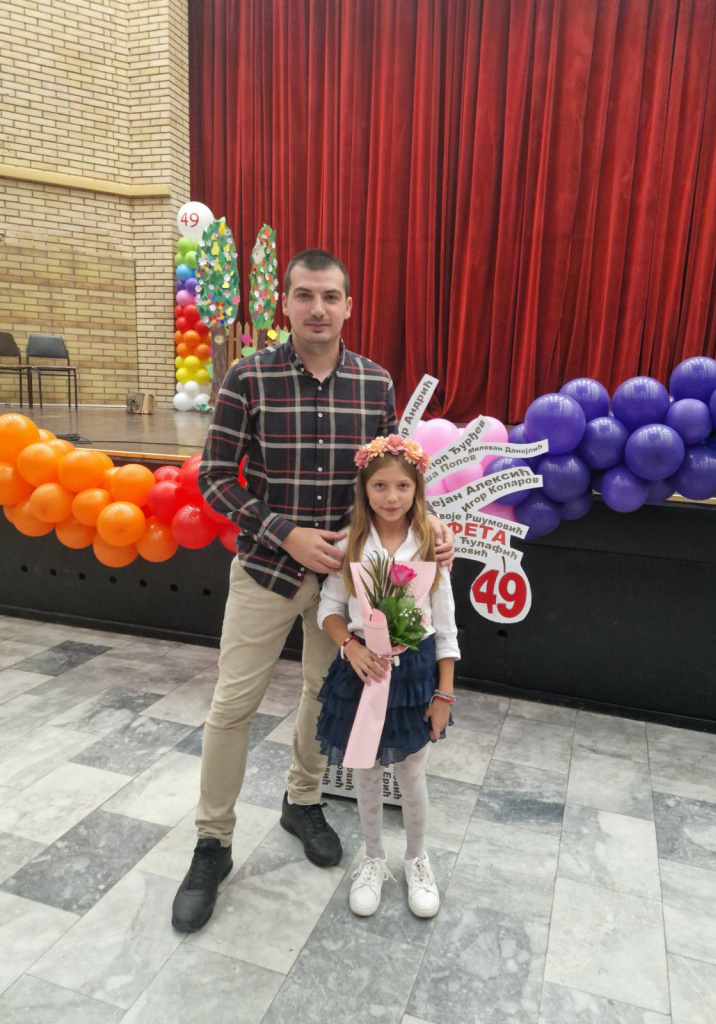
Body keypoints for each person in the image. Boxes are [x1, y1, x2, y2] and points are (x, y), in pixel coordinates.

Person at [171, 249, 455, 933]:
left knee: (323, 695)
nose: (317, 309)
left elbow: (392, 479)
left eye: (330, 297)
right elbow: (215, 477)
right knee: (232, 705)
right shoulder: (248, 377)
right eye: (304, 295)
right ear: (286, 304)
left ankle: (302, 802)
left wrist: (433, 525)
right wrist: (285, 533)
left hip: (350, 586)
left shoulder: (374, 383)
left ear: (349, 306)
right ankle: (212, 843)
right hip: (267, 571)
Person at [316, 435, 459, 919]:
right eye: (379, 486)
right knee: (366, 770)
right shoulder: (351, 542)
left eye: (402, 486)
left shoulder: (431, 544)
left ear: (417, 489)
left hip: (414, 671)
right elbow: (329, 608)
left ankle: (417, 858)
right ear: (364, 488)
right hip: (362, 668)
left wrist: (444, 693)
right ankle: (373, 857)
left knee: (412, 771)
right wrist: (350, 645)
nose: (391, 497)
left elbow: (446, 625)